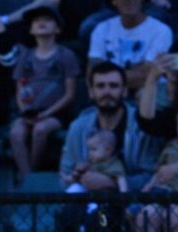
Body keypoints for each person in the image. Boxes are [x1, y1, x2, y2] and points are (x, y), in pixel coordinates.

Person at [59, 61, 163, 189]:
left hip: (132, 202)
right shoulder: (78, 127)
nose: (106, 92)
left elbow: (153, 176)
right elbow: (64, 175)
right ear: (91, 92)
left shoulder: (142, 126)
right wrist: (77, 176)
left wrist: (112, 183)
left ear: (124, 91)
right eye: (100, 86)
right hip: (87, 199)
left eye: (113, 86)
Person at [4, 7, 80, 181]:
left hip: (56, 113)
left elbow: (69, 94)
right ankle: (26, 177)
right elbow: (19, 89)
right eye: (36, 21)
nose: (41, 23)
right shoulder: (25, 56)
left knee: (41, 129)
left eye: (47, 19)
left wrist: (45, 114)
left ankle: (33, 174)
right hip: (29, 111)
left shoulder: (66, 55)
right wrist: (25, 111)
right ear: (31, 29)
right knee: (16, 132)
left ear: (58, 29)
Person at [85, 0, 174, 93]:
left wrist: (108, 76)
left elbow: (147, 74)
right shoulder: (101, 29)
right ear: (114, 0)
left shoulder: (161, 31)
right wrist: (134, 71)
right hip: (110, 92)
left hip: (148, 90)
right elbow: (94, 70)